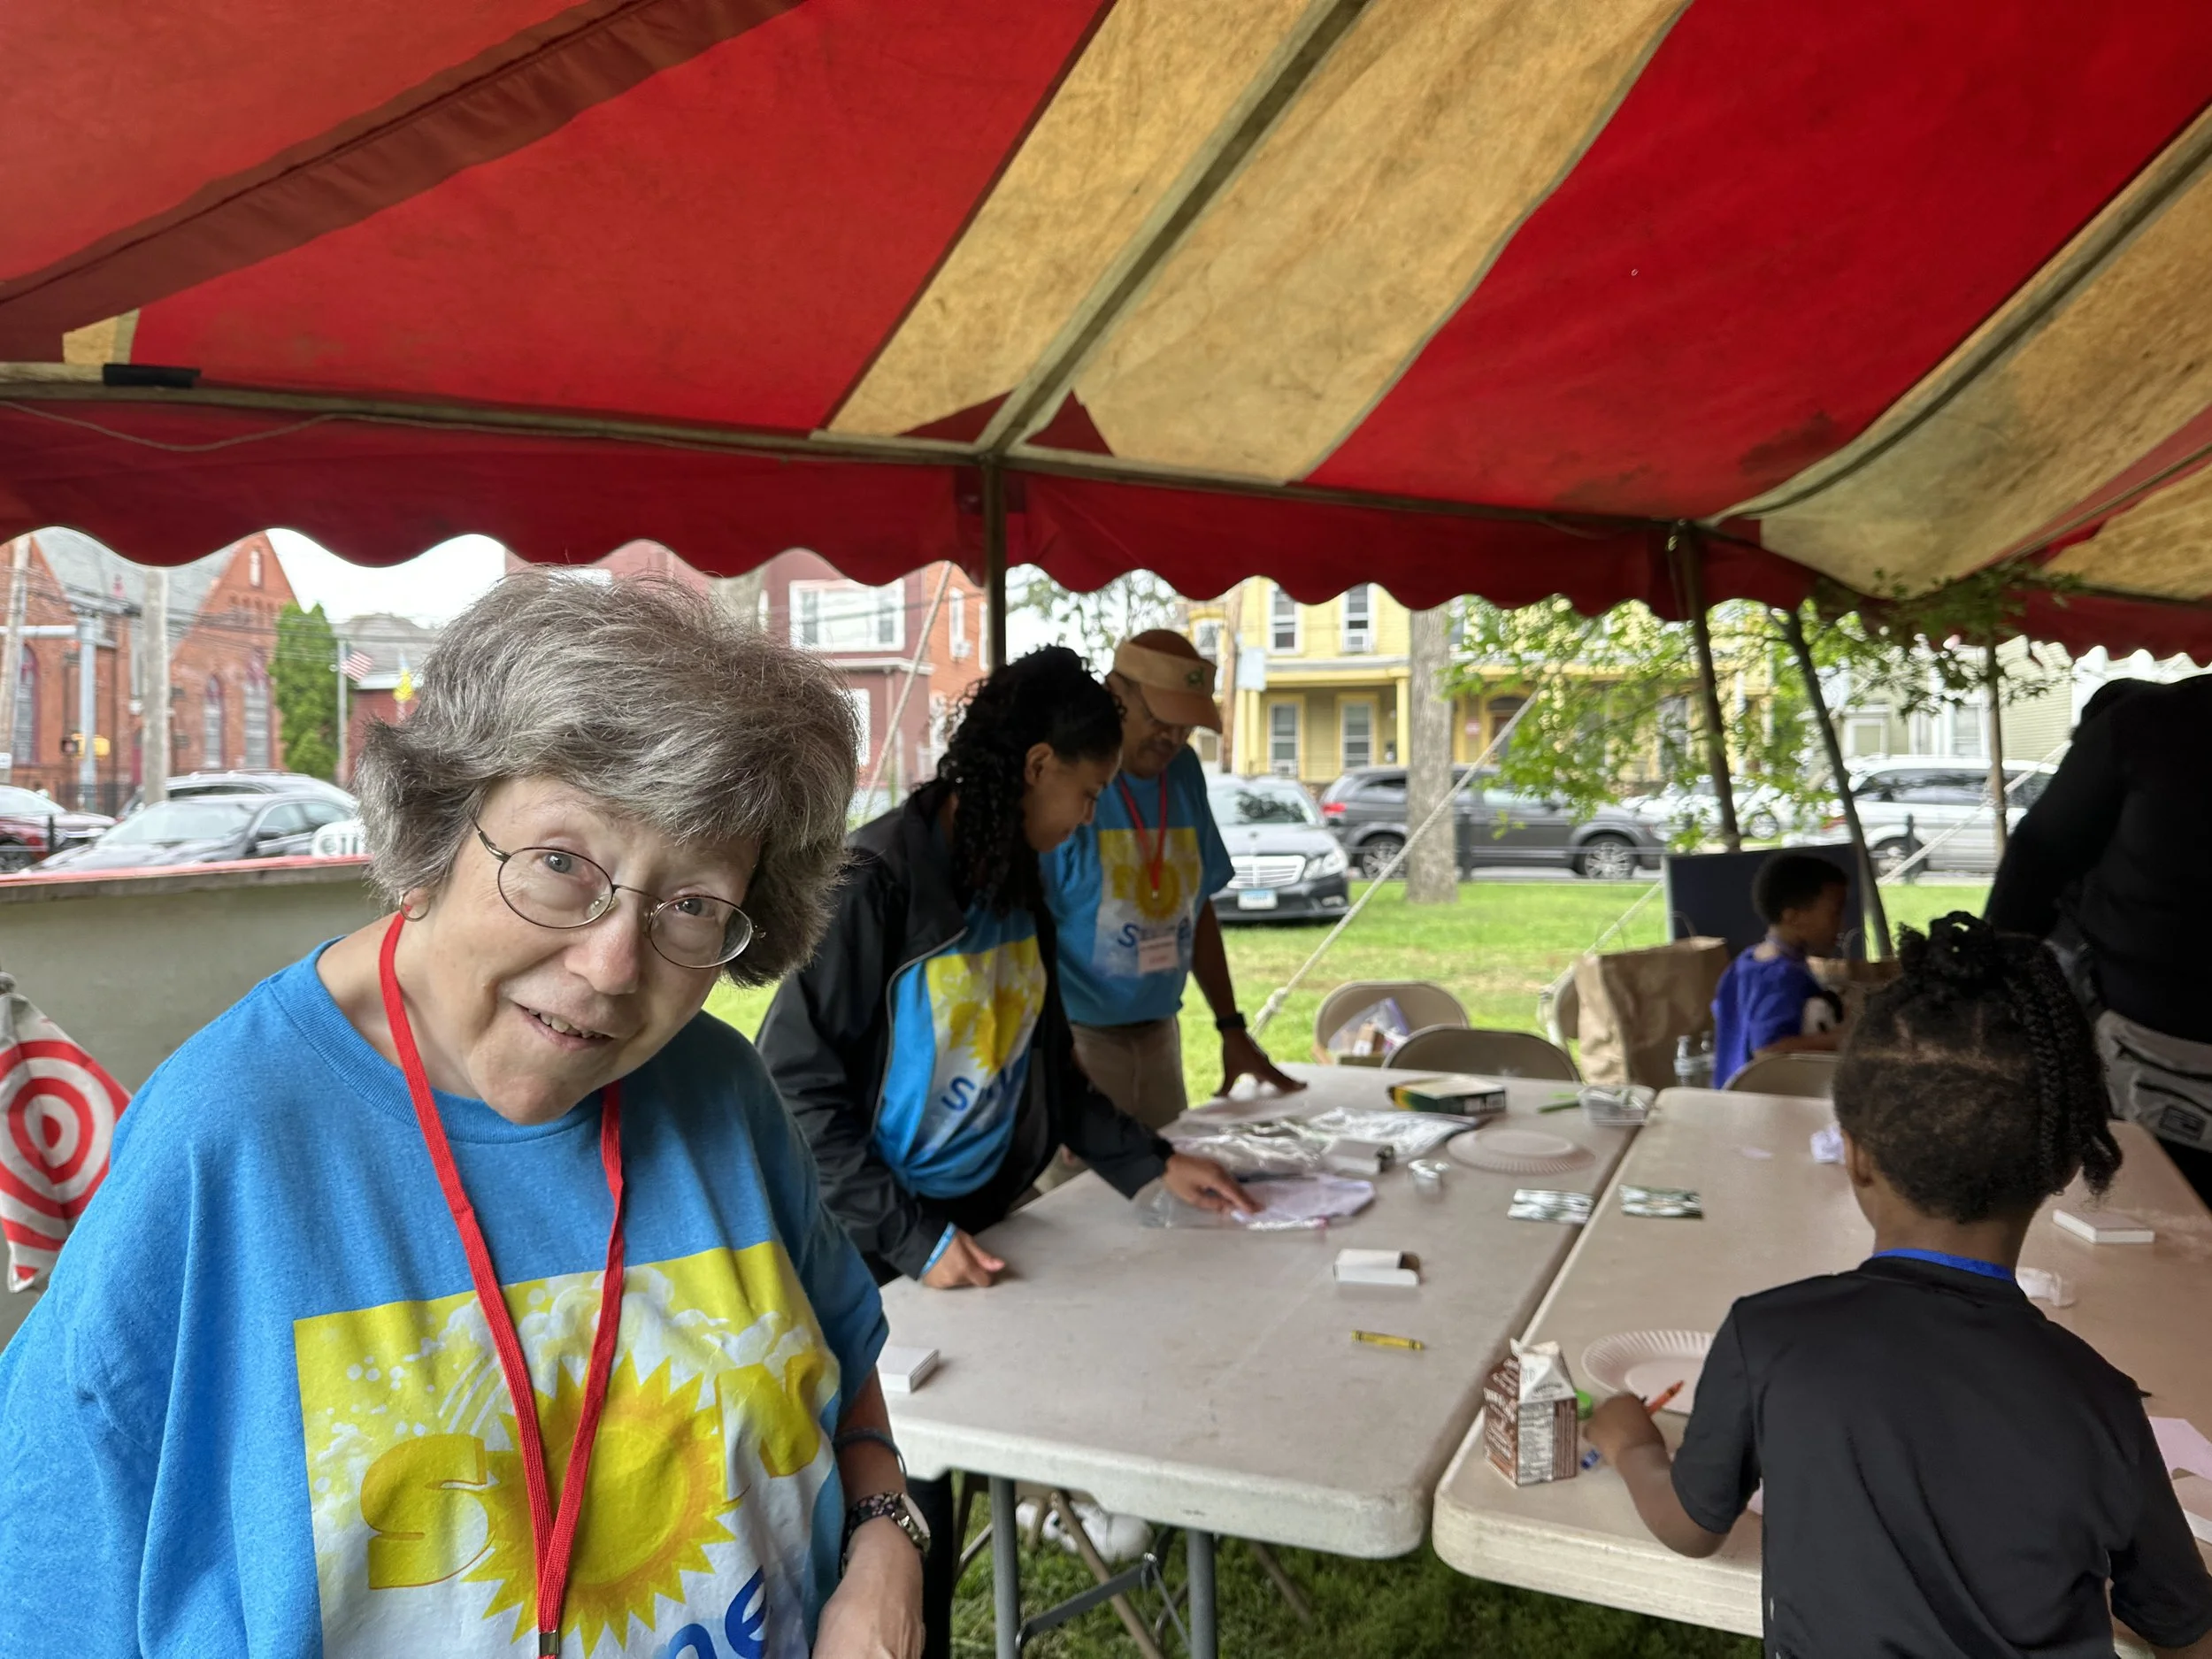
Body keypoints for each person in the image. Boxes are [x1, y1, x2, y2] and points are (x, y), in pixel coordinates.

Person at [0, 575, 926, 1659]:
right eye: (560, 863)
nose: (612, 965)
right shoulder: (225, 1145)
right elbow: (49, 1585)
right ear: (439, 826)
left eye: (692, 906)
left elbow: (841, 1354)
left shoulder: (718, 1087)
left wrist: (885, 1533)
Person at [756, 645, 1252, 1659]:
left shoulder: (1019, 876)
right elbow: (795, 1084)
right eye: (1085, 791)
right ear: (1034, 767)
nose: (1086, 817)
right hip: (876, 1245)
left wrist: (1152, 1160)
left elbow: (1051, 1068)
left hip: (978, 1227)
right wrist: (914, 1234)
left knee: (955, 1471)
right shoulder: (877, 879)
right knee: (899, 1502)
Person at [1588, 914, 2212, 1659]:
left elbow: (1693, 1526)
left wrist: (1630, 1441)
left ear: (1854, 1156)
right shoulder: (2099, 1400)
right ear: (2063, 1170)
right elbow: (2184, 1627)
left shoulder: (1772, 1336)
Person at [1041, 629, 1302, 1135]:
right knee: (1082, 1203)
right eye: (1160, 719)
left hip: (1160, 1032)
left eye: (1185, 725)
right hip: (1079, 1037)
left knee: (1166, 1188)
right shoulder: (1073, 777)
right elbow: (1027, 924)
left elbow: (1194, 904)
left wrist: (1231, 1026)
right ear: (1115, 696)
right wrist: (1050, 1053)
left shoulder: (1182, 771)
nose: (1174, 738)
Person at [1987, 672, 2212, 1201]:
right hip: (2148, 1060)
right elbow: (2037, 862)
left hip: (2146, 1053)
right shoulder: (2153, 724)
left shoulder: (2153, 724)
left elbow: (2036, 861)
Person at [1709, 851, 1848, 1085]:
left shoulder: (1748, 961)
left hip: (1730, 1095)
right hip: (1761, 1103)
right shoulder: (1782, 975)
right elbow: (1769, 1049)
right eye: (1834, 913)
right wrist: (1841, 1039)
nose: (1842, 923)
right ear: (1793, 917)